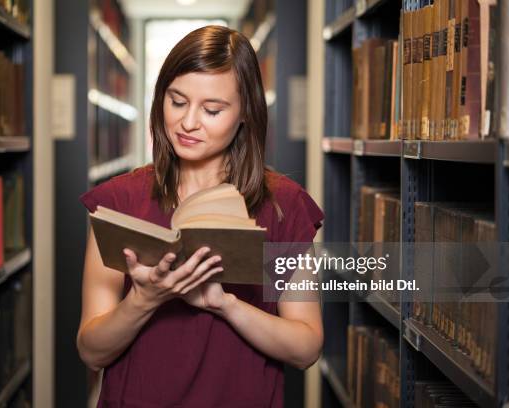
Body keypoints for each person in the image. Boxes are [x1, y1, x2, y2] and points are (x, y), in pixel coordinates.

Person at [77, 25, 324, 407]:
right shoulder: (118, 202)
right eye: (177, 101)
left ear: (246, 114)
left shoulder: (283, 206)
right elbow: (92, 352)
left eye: (212, 110)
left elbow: (306, 347)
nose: (188, 123)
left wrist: (225, 304)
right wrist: (144, 300)